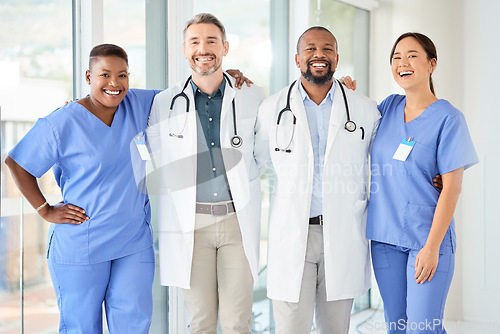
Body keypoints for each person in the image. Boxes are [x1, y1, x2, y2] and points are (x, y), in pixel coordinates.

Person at [4, 43, 250, 334]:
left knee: (133, 324)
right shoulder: (62, 121)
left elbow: (186, 96)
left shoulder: (139, 103)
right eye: (104, 75)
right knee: (81, 327)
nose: (114, 83)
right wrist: (44, 209)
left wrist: (220, 76)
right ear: (88, 76)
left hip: (133, 242)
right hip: (83, 242)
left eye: (122, 75)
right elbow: (17, 163)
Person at [255, 26, 380, 334]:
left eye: (327, 48)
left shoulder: (363, 108)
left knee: (335, 329)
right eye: (310, 49)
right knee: (290, 329)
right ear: (298, 59)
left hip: (342, 233)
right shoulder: (272, 108)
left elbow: (383, 163)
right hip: (293, 233)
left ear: (336, 58)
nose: (318, 54)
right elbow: (252, 165)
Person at [146, 13, 266, 334]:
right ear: (185, 51)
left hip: (236, 223)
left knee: (237, 321)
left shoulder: (252, 95)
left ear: (225, 47)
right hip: (191, 224)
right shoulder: (165, 102)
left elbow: (263, 157)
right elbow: (149, 151)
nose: (203, 48)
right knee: (200, 322)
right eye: (194, 42)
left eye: (211, 41)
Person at [365, 33, 478, 333]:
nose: (403, 62)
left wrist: (431, 248)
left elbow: (452, 187)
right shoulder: (386, 108)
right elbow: (349, 125)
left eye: (412, 55)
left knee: (423, 328)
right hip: (385, 240)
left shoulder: (449, 118)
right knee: (397, 326)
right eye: (397, 56)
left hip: (427, 241)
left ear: (432, 64)